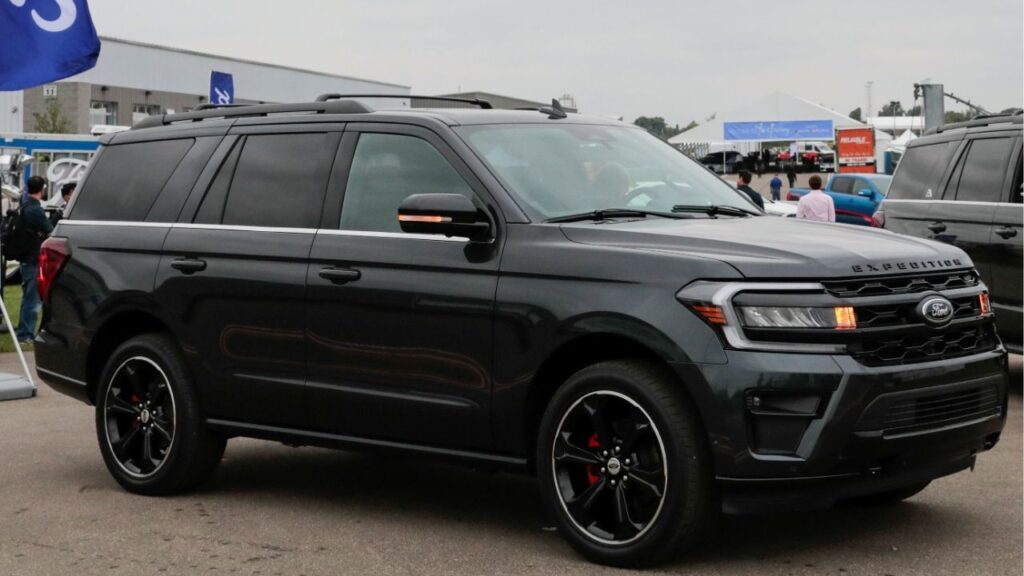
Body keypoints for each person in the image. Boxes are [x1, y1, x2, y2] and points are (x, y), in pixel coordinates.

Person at [15, 176, 54, 343]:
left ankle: (23, 331)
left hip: (26, 257)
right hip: (33, 258)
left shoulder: (25, 206)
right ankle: (25, 334)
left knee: (28, 297)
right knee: (33, 299)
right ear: (42, 189)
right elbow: (51, 231)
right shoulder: (35, 209)